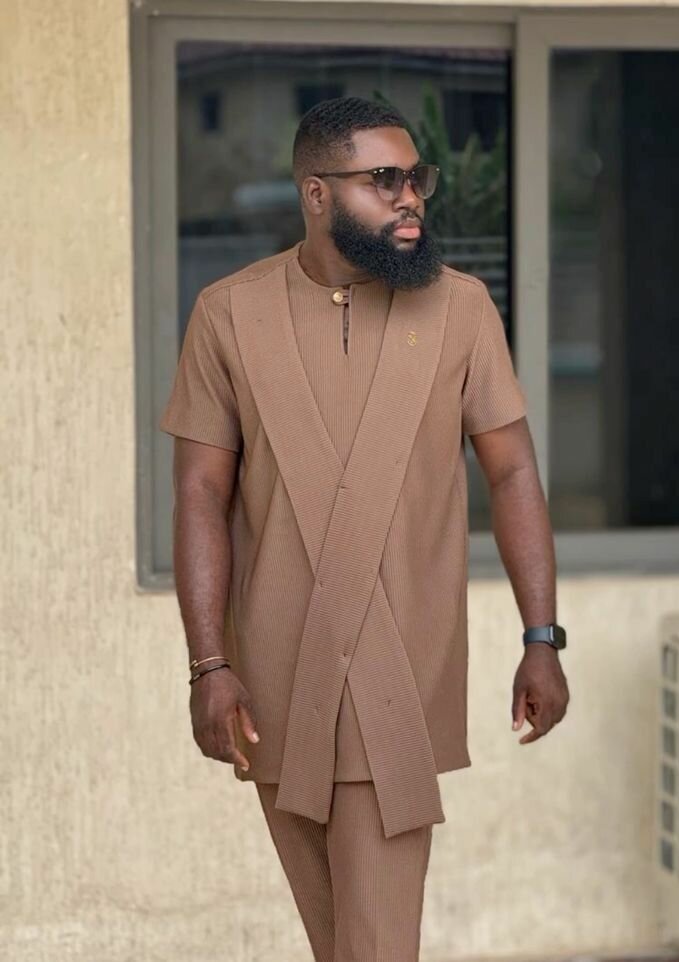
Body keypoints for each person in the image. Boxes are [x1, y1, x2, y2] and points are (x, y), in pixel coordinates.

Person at [160, 96, 569, 962]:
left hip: (401, 674)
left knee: (375, 946)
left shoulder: (461, 310)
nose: (409, 196)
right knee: (341, 944)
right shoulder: (228, 313)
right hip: (273, 684)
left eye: (415, 178)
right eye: (382, 179)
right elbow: (199, 493)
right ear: (316, 193)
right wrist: (209, 666)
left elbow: (512, 473)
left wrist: (541, 637)